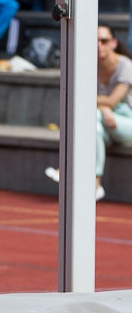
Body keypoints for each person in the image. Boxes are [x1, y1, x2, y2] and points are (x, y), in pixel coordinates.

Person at [45, 25, 131, 202]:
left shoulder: (126, 65)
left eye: (104, 41)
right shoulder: (89, 66)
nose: (99, 45)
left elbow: (111, 100)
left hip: (127, 123)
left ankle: (65, 168)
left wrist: (105, 107)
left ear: (114, 43)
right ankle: (96, 185)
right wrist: (104, 108)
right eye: (95, 41)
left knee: (92, 118)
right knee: (95, 129)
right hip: (106, 125)